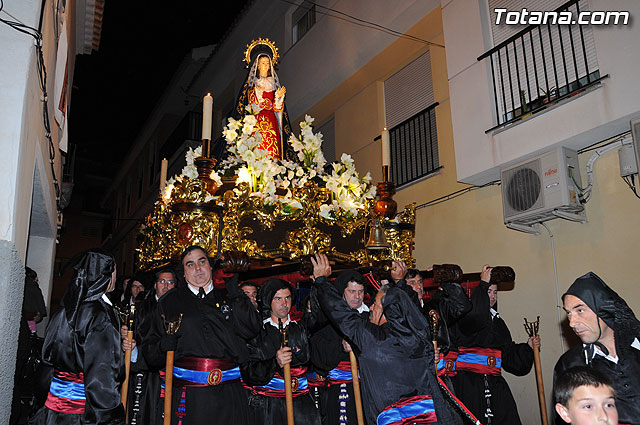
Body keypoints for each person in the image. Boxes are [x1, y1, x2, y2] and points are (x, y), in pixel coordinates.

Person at [311, 254, 461, 425]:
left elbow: (340, 314)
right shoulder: (419, 337)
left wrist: (322, 281)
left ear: (388, 312)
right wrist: (400, 282)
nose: (372, 307)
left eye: (376, 303)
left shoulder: (372, 339)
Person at [143, 246, 261, 425]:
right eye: (190, 265)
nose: (197, 268)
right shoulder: (170, 302)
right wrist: (161, 346)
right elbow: (150, 351)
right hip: (190, 397)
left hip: (230, 394)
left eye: (202, 261)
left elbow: (252, 329)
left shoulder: (230, 296)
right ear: (183, 273)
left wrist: (234, 287)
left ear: (211, 266)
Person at [29, 249, 125, 425]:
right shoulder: (100, 316)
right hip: (80, 414)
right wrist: (110, 418)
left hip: (52, 410)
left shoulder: (65, 310)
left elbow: (47, 363)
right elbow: (102, 377)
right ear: (107, 273)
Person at [452, 265, 539, 425]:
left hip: (494, 383)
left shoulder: (498, 322)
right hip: (470, 385)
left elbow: (507, 354)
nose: (492, 296)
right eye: (488, 292)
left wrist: (527, 347)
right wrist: (483, 284)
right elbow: (476, 316)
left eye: (495, 292)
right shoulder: (465, 318)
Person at [553, 272, 640, 425]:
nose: (572, 323)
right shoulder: (570, 364)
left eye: (580, 310)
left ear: (603, 309)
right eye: (569, 313)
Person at [241, 278, 321, 425]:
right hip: (270, 407)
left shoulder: (301, 327)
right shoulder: (257, 332)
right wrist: (274, 363)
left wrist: (319, 284)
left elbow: (319, 316)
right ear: (267, 301)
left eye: (287, 298)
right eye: (278, 298)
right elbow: (249, 373)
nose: (284, 304)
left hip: (302, 406)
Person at [310, 270, 369, 425]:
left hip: (369, 387)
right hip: (341, 389)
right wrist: (340, 347)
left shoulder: (371, 317)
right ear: (342, 292)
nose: (357, 296)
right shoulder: (330, 319)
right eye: (351, 291)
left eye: (360, 291)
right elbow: (318, 354)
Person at [222, 40, 295, 162]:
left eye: (268, 63)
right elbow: (251, 105)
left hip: (271, 121)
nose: (266, 65)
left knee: (273, 151)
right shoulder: (252, 87)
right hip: (257, 122)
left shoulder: (273, 86)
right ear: (258, 66)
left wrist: (279, 97)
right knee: (258, 149)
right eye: (263, 63)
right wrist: (258, 92)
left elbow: (277, 109)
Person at [121, 268, 176, 425]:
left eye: (170, 282)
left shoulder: (180, 309)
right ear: (155, 285)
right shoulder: (142, 308)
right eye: (162, 282)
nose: (166, 286)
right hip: (145, 374)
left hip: (173, 373)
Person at [405, 268, 471, 386]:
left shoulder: (434, 307)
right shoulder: (399, 313)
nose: (418, 286)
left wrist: (444, 279)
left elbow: (463, 306)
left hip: (440, 374)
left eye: (420, 282)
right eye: (412, 283)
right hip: (414, 377)